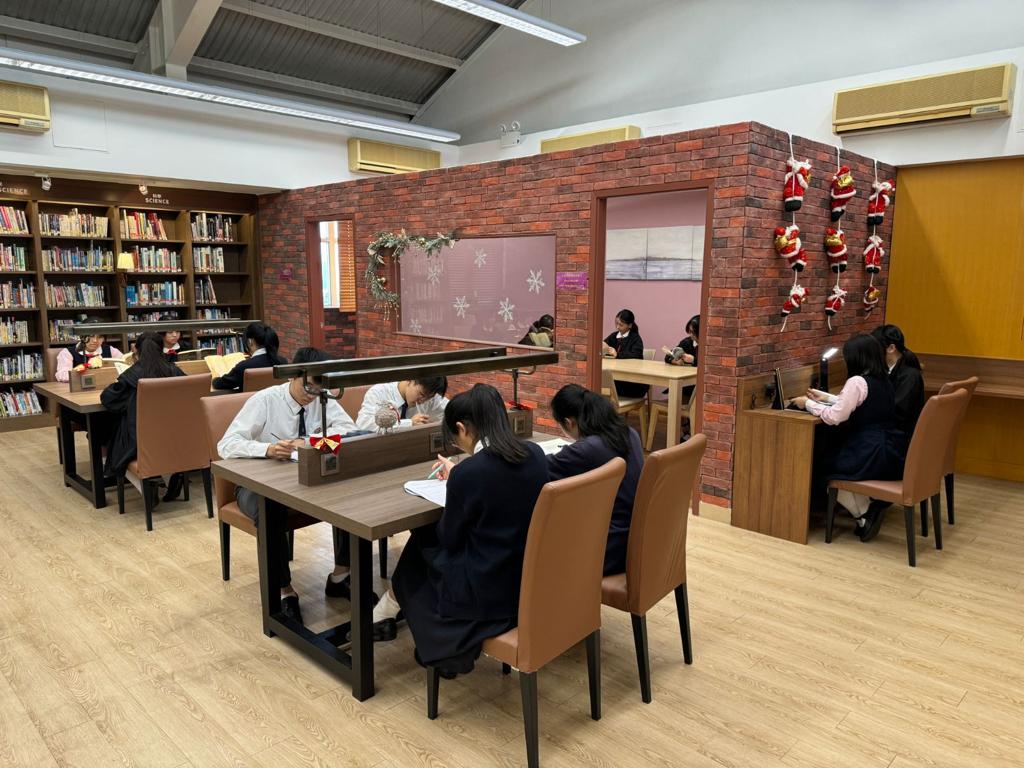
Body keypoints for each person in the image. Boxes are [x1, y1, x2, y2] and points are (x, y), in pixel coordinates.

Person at [372, 383, 548, 677]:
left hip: (488, 585)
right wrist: (460, 477)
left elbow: (450, 539)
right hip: (524, 572)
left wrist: (458, 481)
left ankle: (434, 638)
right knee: (422, 547)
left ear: (462, 428)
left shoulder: (471, 472)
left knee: (420, 543)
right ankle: (391, 609)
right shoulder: (535, 454)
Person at [216, 347, 360, 624]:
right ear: (293, 375)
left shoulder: (321, 397)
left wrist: (310, 442)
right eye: (308, 387)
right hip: (258, 485)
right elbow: (226, 445)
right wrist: (268, 449)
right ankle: (284, 590)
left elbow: (351, 431)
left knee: (345, 493)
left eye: (318, 390)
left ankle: (341, 575)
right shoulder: (265, 400)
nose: (312, 395)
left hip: (304, 481)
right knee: (270, 509)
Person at [791, 333, 907, 542]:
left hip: (868, 451)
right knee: (832, 461)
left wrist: (806, 403)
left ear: (856, 357)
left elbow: (835, 417)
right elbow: (859, 402)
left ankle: (864, 514)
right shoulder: (884, 379)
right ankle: (869, 508)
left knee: (824, 470)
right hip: (889, 449)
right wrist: (827, 397)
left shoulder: (856, 381)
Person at [546, 384, 644, 575]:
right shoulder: (629, 433)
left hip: (612, 549)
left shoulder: (587, 449)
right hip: (638, 539)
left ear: (569, 423)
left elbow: (540, 467)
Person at [100, 332, 187, 500]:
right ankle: (170, 477)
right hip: (174, 435)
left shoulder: (132, 374)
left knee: (116, 450)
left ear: (136, 350)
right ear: (161, 349)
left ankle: (147, 487)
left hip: (138, 439)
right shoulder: (173, 370)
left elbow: (109, 400)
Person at [871, 324, 925, 437]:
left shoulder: (910, 376)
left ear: (891, 348)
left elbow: (897, 411)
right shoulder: (885, 370)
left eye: (874, 348)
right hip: (887, 430)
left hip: (897, 436)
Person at [355, 377, 449, 432]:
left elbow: (452, 411)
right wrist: (409, 423)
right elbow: (365, 425)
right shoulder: (379, 392)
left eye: (428, 397)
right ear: (410, 379)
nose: (423, 401)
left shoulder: (431, 399)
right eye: (421, 394)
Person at [212, 322, 285, 391]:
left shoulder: (245, 366)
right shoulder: (283, 361)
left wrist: (214, 378)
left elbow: (219, 384)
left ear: (250, 342)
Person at [55, 316, 123, 382]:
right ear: (81, 336)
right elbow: (62, 375)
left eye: (100, 337)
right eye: (91, 336)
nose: (95, 340)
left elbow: (125, 367)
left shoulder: (111, 350)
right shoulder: (67, 353)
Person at [602, 309, 648, 399]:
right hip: (617, 378)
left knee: (607, 386)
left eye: (621, 325)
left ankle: (612, 403)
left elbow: (636, 355)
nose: (617, 327)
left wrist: (617, 354)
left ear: (629, 325)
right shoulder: (614, 336)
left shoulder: (635, 338)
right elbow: (605, 345)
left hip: (632, 381)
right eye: (616, 324)